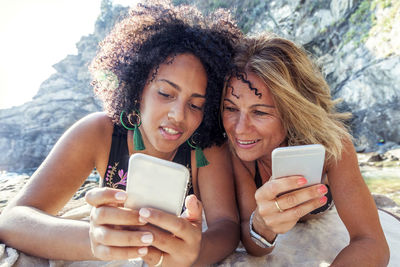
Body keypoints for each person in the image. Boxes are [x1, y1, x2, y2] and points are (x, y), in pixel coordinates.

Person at [0, 1, 242, 266]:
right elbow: (13, 220)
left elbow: (226, 226)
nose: (178, 115)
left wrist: (192, 256)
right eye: (165, 93)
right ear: (137, 89)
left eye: (196, 104)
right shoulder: (99, 132)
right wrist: (96, 240)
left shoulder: (205, 148)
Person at [221, 33, 390, 266]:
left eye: (259, 112)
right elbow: (254, 245)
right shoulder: (237, 153)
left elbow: (371, 242)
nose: (239, 129)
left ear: (293, 111)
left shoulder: (331, 147)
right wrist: (262, 224)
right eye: (230, 108)